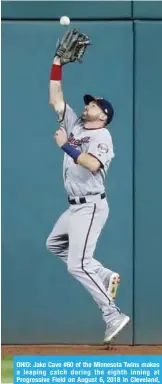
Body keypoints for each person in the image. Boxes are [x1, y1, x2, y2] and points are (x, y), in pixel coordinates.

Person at [46, 53, 130, 343]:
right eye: (88, 102)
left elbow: (93, 164)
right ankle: (104, 274)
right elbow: (56, 99)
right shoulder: (77, 126)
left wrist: (65, 145)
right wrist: (57, 62)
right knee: (55, 243)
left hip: (92, 205)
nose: (87, 105)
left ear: (103, 115)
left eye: (93, 104)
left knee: (77, 264)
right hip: (74, 207)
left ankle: (112, 315)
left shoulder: (102, 137)